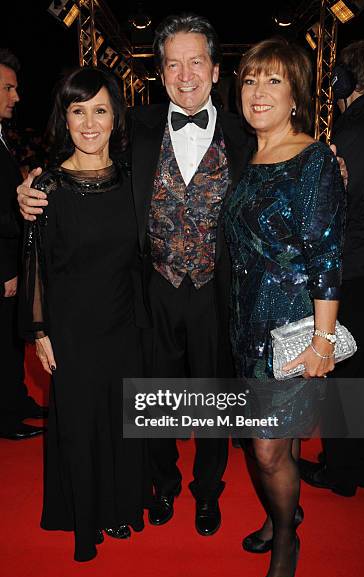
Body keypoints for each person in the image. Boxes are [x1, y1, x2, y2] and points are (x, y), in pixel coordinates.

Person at [17, 13, 253, 536]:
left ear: (217, 70)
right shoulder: (137, 129)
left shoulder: (247, 136)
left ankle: (207, 492)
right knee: (156, 399)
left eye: (197, 63)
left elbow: (289, 157)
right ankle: (162, 485)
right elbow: (82, 161)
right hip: (151, 294)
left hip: (217, 293)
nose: (185, 75)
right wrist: (32, 187)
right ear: (160, 72)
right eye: (174, 64)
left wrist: (330, 158)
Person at [223, 39, 346, 577]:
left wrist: (323, 341)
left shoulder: (313, 157)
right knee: (278, 445)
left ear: (296, 92)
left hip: (294, 331)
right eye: (250, 81)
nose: (259, 92)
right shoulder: (249, 157)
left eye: (273, 81)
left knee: (268, 448)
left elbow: (326, 254)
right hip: (248, 325)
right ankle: (279, 516)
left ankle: (286, 542)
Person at [18, 67, 152, 562]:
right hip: (71, 327)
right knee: (79, 421)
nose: (90, 123)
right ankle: (85, 517)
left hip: (124, 322)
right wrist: (40, 332)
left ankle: (119, 507)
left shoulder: (133, 179)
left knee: (120, 418)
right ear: (65, 118)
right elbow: (33, 263)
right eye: (79, 111)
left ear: (116, 117)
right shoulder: (45, 187)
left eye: (100, 110)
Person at [299, 39, 364, 497]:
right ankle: (362, 466)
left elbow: (335, 210)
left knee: (348, 375)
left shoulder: (354, 132)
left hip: (356, 269)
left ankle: (344, 471)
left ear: (342, 81)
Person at [0, 48, 45, 440]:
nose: (16, 97)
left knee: (13, 342)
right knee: (3, 344)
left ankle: (16, 400)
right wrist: (6, 270)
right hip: (2, 265)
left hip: (9, 256)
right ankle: (5, 415)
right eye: (8, 88)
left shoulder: (1, 135)